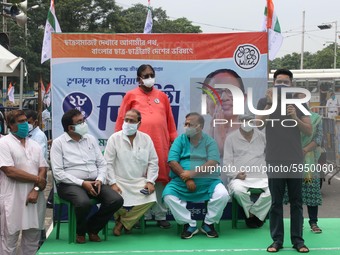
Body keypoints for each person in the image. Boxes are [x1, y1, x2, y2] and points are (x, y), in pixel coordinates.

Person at [115, 64, 177, 228]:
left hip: (160, 143)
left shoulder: (162, 96)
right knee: (139, 178)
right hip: (137, 145)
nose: (150, 78)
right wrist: (118, 140)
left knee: (159, 179)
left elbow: (170, 121)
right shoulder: (130, 95)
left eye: (152, 74)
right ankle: (139, 215)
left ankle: (160, 214)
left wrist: (173, 141)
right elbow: (122, 119)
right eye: (146, 75)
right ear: (139, 79)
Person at [256, 69, 312, 253]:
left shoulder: (299, 102)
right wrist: (270, 104)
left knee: (297, 202)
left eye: (285, 83)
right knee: (276, 203)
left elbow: (308, 131)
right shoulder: (265, 102)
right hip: (274, 158)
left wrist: (295, 118)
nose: (281, 85)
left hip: (295, 158)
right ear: (273, 84)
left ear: (291, 84)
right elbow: (258, 123)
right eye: (278, 82)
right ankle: (277, 241)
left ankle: (298, 241)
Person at [50, 109, 123, 244]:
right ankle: (80, 232)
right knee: (83, 203)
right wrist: (82, 183)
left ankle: (92, 228)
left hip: (95, 181)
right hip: (69, 185)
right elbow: (58, 173)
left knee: (116, 200)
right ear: (70, 128)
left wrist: (100, 179)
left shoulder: (90, 139)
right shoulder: (58, 143)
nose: (84, 123)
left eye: (83, 120)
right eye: (80, 122)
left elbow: (102, 163)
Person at [163, 112, 229, 239]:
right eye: (186, 124)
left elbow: (213, 162)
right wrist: (187, 179)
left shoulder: (209, 141)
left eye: (190, 124)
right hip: (181, 181)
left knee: (223, 195)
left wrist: (192, 174)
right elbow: (172, 161)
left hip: (208, 181)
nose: (187, 127)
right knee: (168, 196)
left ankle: (208, 223)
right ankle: (189, 224)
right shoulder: (180, 140)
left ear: (200, 127)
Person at [0, 110, 48, 255]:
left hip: (34, 198)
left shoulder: (35, 145)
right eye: (20, 122)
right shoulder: (4, 143)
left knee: (32, 239)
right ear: (10, 125)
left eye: (26, 121)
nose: (25, 124)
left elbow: (43, 168)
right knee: (9, 241)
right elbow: (10, 171)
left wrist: (36, 189)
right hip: (12, 198)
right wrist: (38, 180)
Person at [105, 109, 159, 236]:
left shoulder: (146, 139)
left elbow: (153, 162)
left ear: (139, 123)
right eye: (126, 120)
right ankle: (127, 222)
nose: (128, 123)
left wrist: (150, 181)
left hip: (138, 181)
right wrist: (112, 183)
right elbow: (107, 163)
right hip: (118, 180)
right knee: (112, 197)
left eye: (132, 121)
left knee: (151, 197)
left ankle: (123, 223)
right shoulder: (114, 138)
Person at [284, 93, 324, 234]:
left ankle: (313, 222)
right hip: (290, 159)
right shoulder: (287, 118)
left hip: (309, 160)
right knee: (295, 193)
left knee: (312, 190)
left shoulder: (316, 118)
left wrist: (305, 150)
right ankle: (297, 223)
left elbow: (318, 139)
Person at [223, 114, 271, 228]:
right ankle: (255, 215)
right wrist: (236, 174)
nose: (247, 123)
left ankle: (252, 213)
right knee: (238, 191)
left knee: (275, 190)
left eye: (250, 121)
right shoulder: (231, 138)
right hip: (241, 178)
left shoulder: (262, 136)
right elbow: (226, 163)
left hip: (262, 176)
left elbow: (270, 157)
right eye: (244, 121)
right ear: (239, 121)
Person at [204, 69, 246, 161]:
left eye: (232, 91)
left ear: (244, 99)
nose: (223, 98)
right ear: (205, 101)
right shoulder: (193, 139)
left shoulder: (256, 137)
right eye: (216, 92)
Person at [24, 109, 49, 246]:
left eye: (27, 122)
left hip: (37, 178)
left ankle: (40, 240)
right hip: (26, 179)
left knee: (37, 212)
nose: (25, 125)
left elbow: (40, 162)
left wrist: (37, 185)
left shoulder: (38, 136)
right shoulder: (25, 135)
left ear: (34, 121)